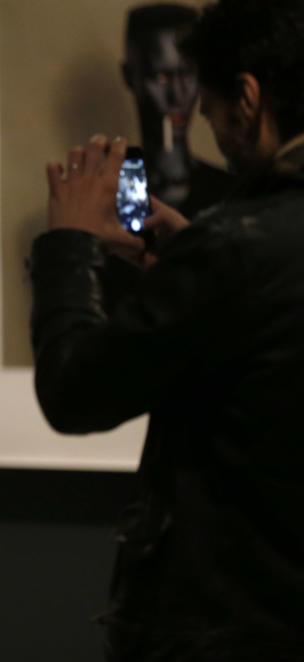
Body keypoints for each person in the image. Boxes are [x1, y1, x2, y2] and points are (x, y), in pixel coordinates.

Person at [30, 1, 304, 659]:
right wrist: (196, 258)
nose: (203, 123)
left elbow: (74, 391)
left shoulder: (235, 250)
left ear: (246, 96)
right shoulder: (242, 246)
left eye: (209, 107)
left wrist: (67, 242)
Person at [122, 2, 233, 219]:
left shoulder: (230, 192)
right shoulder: (115, 190)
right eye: (161, 77)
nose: (177, 95)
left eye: (188, 74)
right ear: (129, 76)